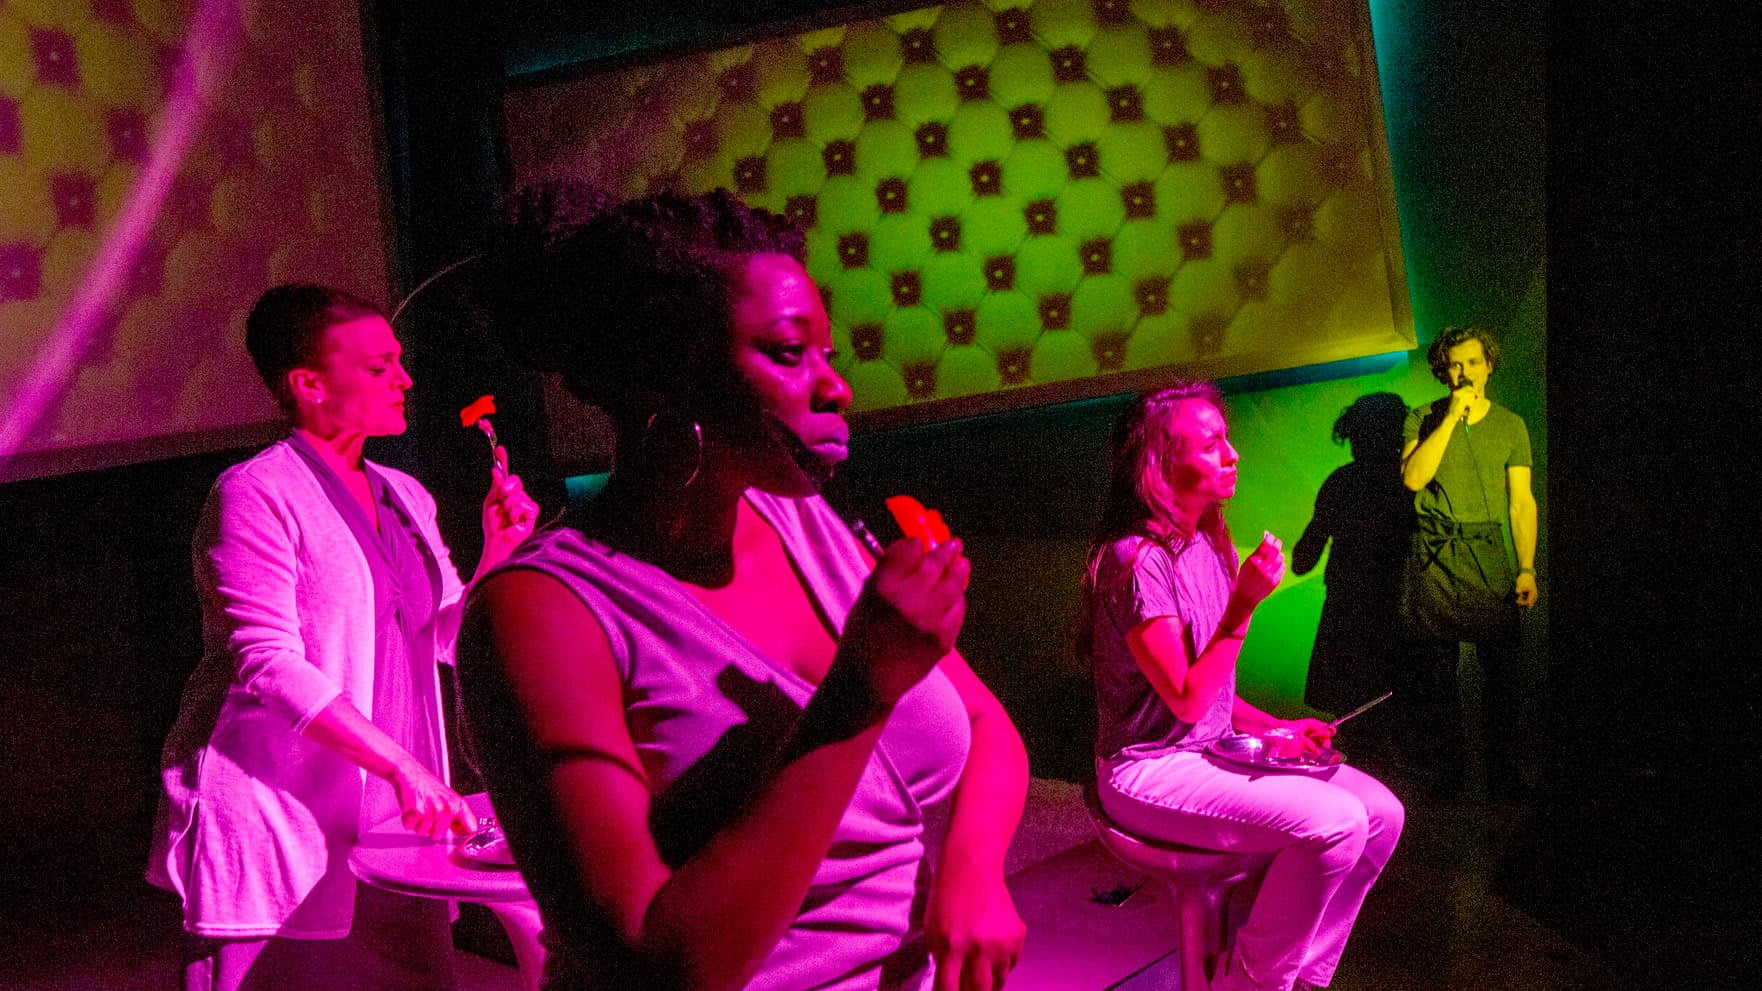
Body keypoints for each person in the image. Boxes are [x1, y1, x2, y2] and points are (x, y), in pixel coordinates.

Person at [456, 185, 1029, 991]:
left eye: (828, 355)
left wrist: (972, 872)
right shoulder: (542, 610)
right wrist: (857, 691)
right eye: (789, 353)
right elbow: (660, 966)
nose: (837, 388)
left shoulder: (811, 526)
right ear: (669, 379)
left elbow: (985, 724)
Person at [147, 283, 540, 991]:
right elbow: (266, 662)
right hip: (283, 810)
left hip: (397, 818)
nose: (405, 379)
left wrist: (498, 550)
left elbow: (447, 634)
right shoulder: (255, 493)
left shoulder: (406, 494)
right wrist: (399, 765)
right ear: (309, 384)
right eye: (379, 366)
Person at [1081, 383, 1403, 991]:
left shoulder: (1208, 542)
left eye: (1226, 439)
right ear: (1159, 463)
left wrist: (1277, 730)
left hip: (1202, 753)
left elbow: (1216, 702)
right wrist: (1243, 608)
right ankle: (1253, 984)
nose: (1232, 454)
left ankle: (1300, 980)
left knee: (1382, 815)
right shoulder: (1136, 559)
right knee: (1334, 823)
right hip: (1144, 770)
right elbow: (1185, 698)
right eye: (1210, 444)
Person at [1398, 326, 1539, 800]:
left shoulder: (1511, 425)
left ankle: (1504, 779)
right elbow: (1414, 479)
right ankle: (1446, 783)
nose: (1465, 373)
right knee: (1436, 683)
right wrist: (1450, 419)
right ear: (1444, 370)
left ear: (1489, 365)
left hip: (1486, 550)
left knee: (1503, 676)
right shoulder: (1422, 417)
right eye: (1456, 365)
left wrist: (1526, 568)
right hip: (1435, 556)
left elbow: (1521, 501)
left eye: (1473, 363)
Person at [1293, 393, 1413, 770]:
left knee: (1356, 720)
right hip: (1399, 609)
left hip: (1350, 608)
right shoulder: (1410, 480)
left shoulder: (1341, 481)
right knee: (1396, 713)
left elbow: (1302, 558)